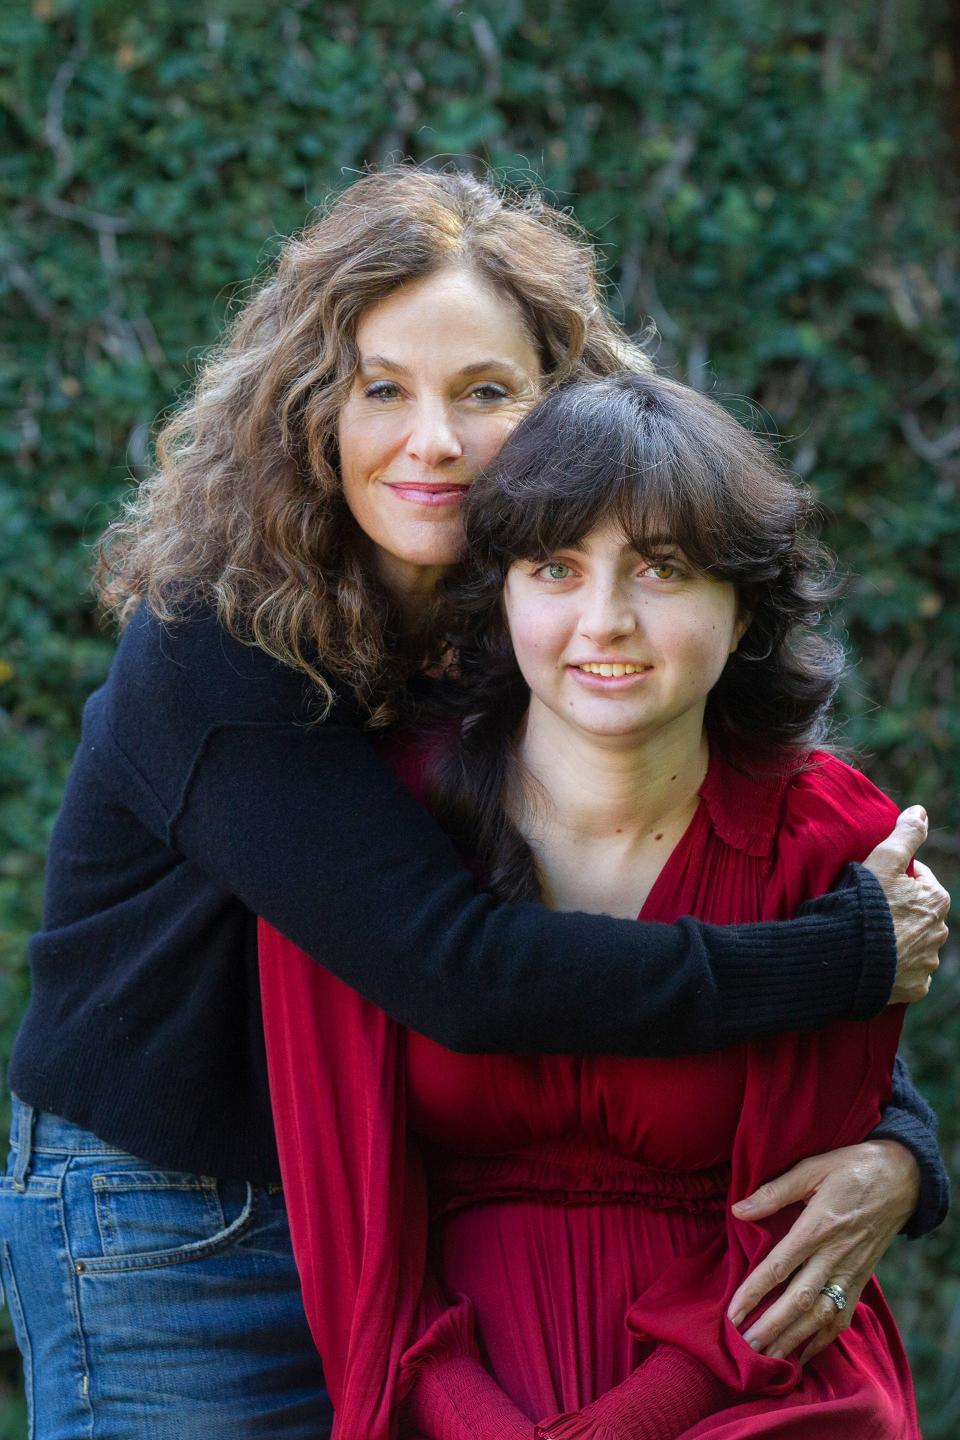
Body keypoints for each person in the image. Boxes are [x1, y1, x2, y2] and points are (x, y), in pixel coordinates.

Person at [0, 168, 947, 1439]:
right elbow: (458, 970)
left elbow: (745, 869)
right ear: (308, 408)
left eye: (487, 392)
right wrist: (843, 956)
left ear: (563, 404)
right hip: (179, 1209)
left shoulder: (530, 617)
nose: (433, 441)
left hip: (398, 1204)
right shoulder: (219, 644)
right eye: (382, 388)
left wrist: (898, 1143)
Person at [260, 370, 936, 1437]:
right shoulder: (373, 836)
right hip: (438, 1397)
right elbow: (343, 1204)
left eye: (661, 568)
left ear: (742, 601)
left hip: (751, 1391)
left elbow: (792, 1239)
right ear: (503, 593)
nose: (604, 621)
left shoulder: (824, 845)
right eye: (555, 567)